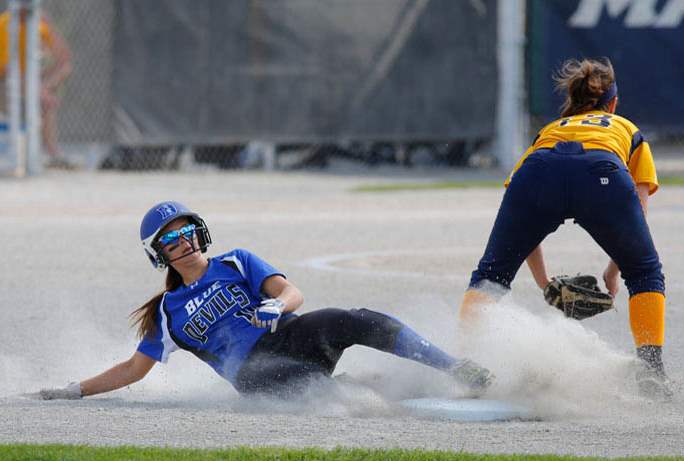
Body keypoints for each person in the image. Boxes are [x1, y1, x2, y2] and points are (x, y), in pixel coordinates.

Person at [40, 201, 493, 400]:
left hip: (288, 332)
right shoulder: (166, 312)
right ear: (160, 255)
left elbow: (290, 292)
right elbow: (132, 370)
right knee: (309, 387)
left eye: (187, 231)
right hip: (254, 373)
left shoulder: (235, 261)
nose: (184, 243)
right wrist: (76, 390)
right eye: (171, 240)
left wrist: (278, 306)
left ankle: (455, 368)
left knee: (354, 318)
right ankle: (371, 392)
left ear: (199, 231)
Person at [459, 57, 670, 400]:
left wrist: (547, 285)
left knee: (491, 274)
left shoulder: (549, 131)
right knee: (646, 272)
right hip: (601, 172)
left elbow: (523, 226)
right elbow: (638, 211)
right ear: (613, 104)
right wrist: (616, 268)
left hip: (538, 170)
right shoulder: (626, 128)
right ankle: (651, 373)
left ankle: (463, 366)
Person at [0, 7, 73, 169]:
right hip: (6, 84)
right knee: (38, 95)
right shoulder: (5, 24)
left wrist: (51, 29)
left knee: (46, 97)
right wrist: (37, 91)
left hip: (33, 83)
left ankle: (51, 155)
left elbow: (65, 60)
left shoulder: (40, 24)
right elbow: (6, 71)